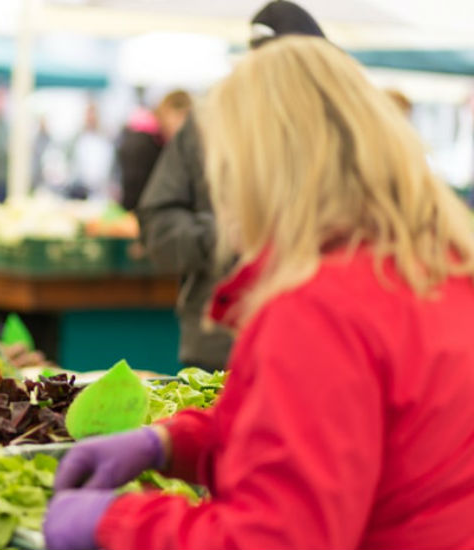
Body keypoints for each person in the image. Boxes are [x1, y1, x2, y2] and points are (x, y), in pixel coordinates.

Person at [44, 36, 474, 550]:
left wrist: (116, 523)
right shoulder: (438, 266)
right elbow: (323, 436)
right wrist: (173, 441)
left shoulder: (319, 308)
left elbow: (275, 538)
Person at [136, 0, 326, 371]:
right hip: (220, 348)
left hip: (314, 347)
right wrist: (225, 237)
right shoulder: (207, 126)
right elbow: (157, 226)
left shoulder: (338, 134)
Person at [116, 90, 192, 211]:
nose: (182, 126)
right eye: (181, 116)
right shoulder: (143, 143)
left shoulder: (151, 137)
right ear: (168, 111)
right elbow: (136, 191)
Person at [68, 101, 114, 200]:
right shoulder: (79, 139)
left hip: (100, 192)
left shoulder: (104, 140)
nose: (90, 118)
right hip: (81, 190)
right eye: (88, 115)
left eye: (92, 114)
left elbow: (107, 168)